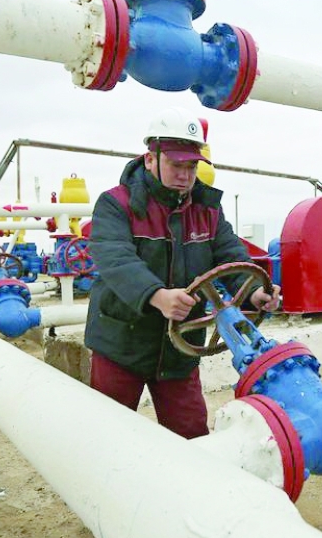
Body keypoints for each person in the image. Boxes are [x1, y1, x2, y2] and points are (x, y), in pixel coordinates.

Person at [85, 107, 281, 439]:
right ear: (150, 159)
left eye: (191, 166)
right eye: (176, 164)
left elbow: (229, 255)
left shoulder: (208, 210)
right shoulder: (115, 204)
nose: (185, 174)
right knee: (108, 435)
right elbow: (115, 259)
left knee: (191, 435)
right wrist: (156, 296)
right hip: (121, 344)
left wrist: (253, 293)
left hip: (181, 348)